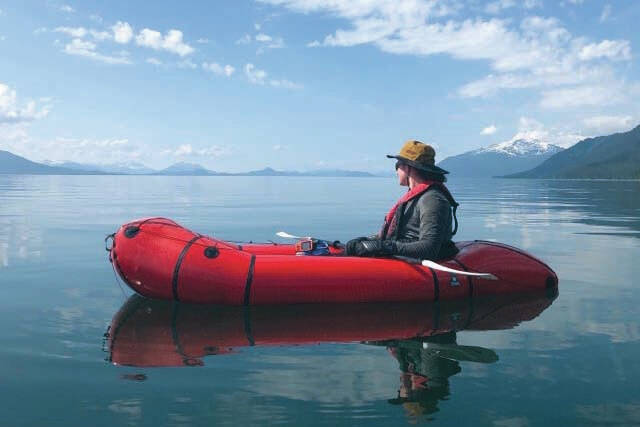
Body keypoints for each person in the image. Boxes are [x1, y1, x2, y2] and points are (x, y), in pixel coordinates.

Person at [345, 140, 459, 260]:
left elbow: (429, 248)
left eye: (397, 165)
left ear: (408, 168)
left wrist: (382, 247)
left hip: (420, 267)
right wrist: (367, 240)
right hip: (402, 256)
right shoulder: (415, 197)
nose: (396, 171)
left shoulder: (432, 200)